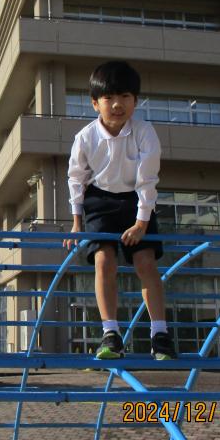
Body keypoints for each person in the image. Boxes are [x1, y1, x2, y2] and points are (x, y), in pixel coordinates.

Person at [64, 61, 176, 361]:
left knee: (146, 263)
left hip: (135, 200)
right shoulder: (85, 137)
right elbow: (76, 179)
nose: (117, 104)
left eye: (125, 96)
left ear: (135, 101)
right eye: (109, 97)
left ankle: (160, 334)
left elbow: (147, 180)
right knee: (104, 261)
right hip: (99, 201)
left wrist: (141, 224)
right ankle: (111, 333)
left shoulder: (144, 132)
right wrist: (76, 222)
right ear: (95, 103)